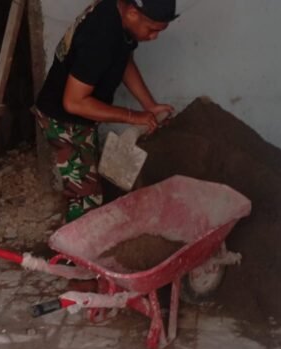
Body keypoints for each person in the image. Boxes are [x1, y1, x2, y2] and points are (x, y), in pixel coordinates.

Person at [33, 0, 177, 222]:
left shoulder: (119, 16)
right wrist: (132, 116)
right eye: (152, 29)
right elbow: (74, 103)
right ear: (132, 13)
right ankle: (74, 242)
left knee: (87, 182)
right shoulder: (100, 37)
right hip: (63, 120)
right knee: (86, 198)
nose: (154, 37)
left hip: (81, 116)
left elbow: (123, 60)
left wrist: (149, 105)